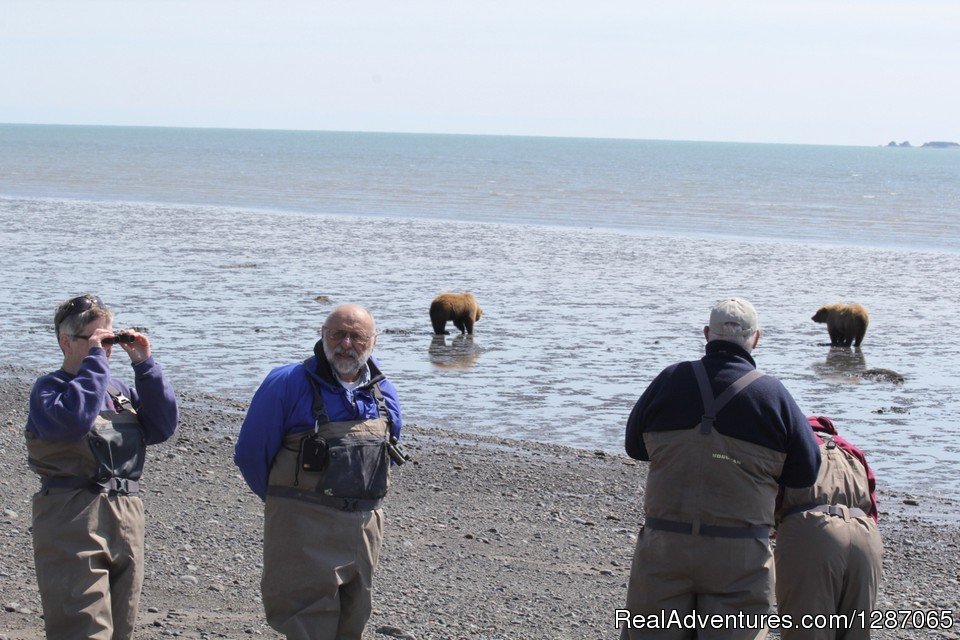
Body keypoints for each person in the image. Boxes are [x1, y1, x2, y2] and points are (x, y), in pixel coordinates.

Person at [621, 298, 821, 640]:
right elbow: (807, 472)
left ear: (706, 335)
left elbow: (634, 447)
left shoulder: (670, 379)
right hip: (740, 554)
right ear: (756, 339)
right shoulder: (772, 395)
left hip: (665, 546)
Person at [234, 303, 404, 640]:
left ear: (373, 341)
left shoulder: (383, 391)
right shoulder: (286, 382)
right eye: (338, 334)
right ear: (322, 335)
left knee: (352, 621)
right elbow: (251, 455)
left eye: (357, 336)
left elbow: (391, 442)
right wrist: (289, 504)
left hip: (363, 528)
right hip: (303, 526)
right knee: (306, 624)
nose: (346, 344)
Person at [25, 293, 179, 639]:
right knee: (82, 627)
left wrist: (145, 365)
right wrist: (96, 361)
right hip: (72, 515)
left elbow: (162, 426)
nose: (106, 349)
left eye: (109, 340)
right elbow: (74, 421)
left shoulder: (118, 391)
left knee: (121, 627)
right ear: (66, 342)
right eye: (97, 340)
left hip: (126, 515)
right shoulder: (49, 390)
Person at [774, 415, 882, 640]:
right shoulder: (852, 451)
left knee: (807, 628)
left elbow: (769, 500)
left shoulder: (792, 447)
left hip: (813, 532)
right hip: (865, 536)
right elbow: (872, 506)